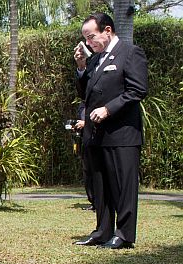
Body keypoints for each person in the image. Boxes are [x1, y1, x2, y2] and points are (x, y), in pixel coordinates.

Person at [73, 12, 148, 249]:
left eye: (91, 36)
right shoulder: (95, 59)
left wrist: (108, 109)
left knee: (123, 186)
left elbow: (137, 90)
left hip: (122, 133)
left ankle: (124, 234)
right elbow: (85, 93)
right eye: (85, 39)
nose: (88, 43)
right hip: (97, 134)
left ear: (107, 30)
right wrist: (82, 67)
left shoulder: (130, 52)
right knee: (101, 186)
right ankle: (102, 231)